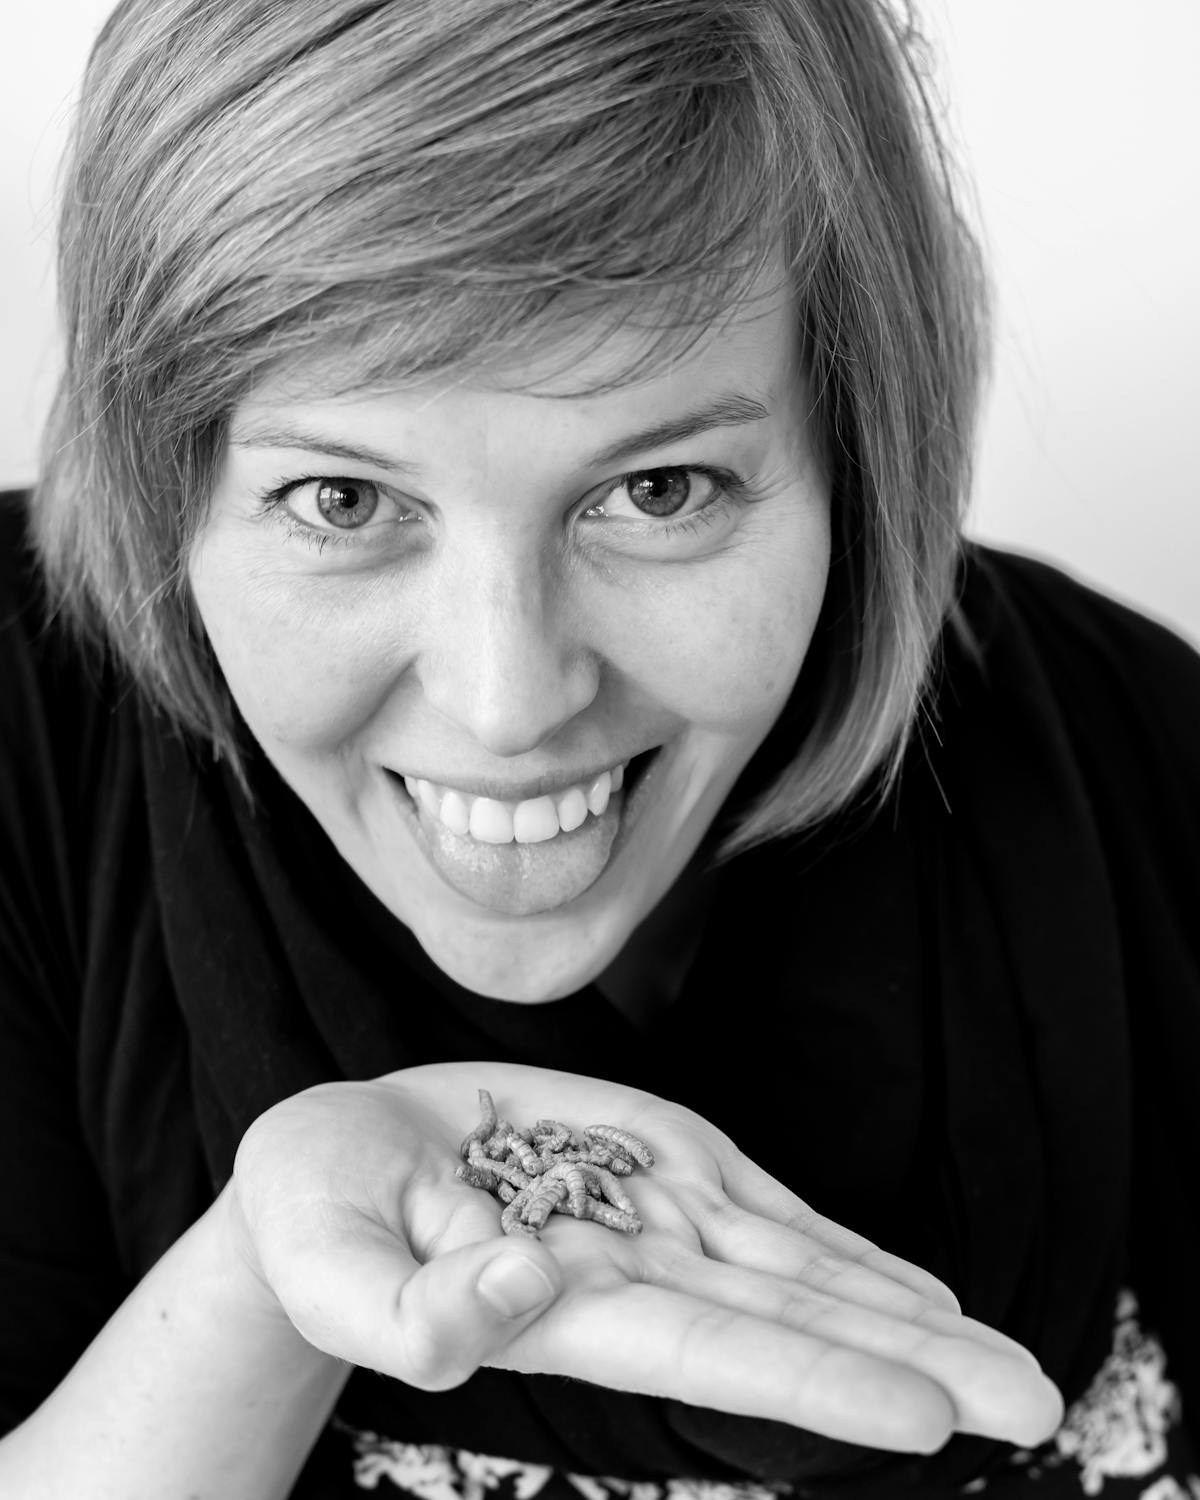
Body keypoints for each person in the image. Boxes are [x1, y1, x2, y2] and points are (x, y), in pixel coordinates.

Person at [1, 0, 1198, 1497]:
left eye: (660, 490)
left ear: (858, 438)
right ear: (161, 477)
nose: (508, 704)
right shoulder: (23, 752)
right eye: (344, 503)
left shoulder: (1146, 756)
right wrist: (259, 1283)